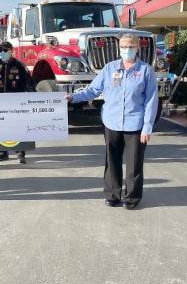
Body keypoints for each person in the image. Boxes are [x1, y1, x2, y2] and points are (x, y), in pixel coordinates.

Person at [67, 33, 158, 210]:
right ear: (119, 49)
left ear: (137, 48)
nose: (127, 50)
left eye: (131, 46)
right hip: (112, 123)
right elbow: (93, 90)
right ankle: (112, 195)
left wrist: (147, 127)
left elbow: (151, 101)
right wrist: (73, 97)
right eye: (124, 47)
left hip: (135, 124)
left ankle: (132, 198)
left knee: (134, 163)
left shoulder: (145, 70)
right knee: (112, 161)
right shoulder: (109, 69)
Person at [0, 41, 34, 164]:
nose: (2, 53)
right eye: (0, 50)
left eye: (5, 50)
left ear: (11, 51)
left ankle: (21, 153)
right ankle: (2, 153)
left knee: (18, 127)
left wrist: (34, 99)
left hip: (17, 104)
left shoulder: (20, 66)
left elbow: (28, 84)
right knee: (1, 127)